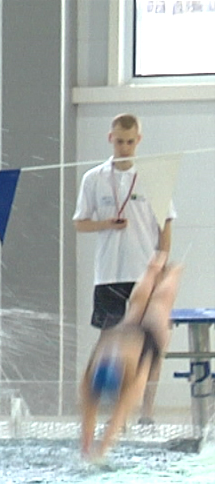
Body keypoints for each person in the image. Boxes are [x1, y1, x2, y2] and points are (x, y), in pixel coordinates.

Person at [73, 113, 176, 422]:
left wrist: (162, 263)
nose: (125, 147)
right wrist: (106, 223)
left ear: (139, 141)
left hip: (145, 275)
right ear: (110, 139)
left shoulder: (153, 175)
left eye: (130, 142)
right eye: (119, 141)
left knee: (150, 347)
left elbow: (166, 224)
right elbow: (80, 223)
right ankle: (103, 410)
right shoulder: (93, 179)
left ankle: (147, 411)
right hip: (108, 274)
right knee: (107, 342)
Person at [80, 251, 182, 461]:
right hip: (126, 337)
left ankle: (172, 272)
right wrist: (90, 447)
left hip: (142, 344)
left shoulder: (121, 379)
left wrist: (94, 451)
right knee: (141, 306)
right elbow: (100, 417)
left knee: (160, 306)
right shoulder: (95, 370)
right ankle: (157, 270)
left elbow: (117, 417)